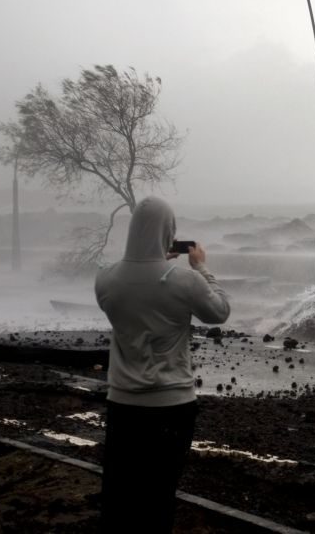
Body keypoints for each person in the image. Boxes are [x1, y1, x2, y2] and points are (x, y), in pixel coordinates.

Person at [95, 196, 230, 533]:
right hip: (172, 406)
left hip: (122, 404)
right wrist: (201, 268)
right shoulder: (184, 280)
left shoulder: (106, 279)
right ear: (169, 232)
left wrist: (154, 260)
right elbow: (219, 312)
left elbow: (135, 296)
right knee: (158, 498)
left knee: (119, 496)